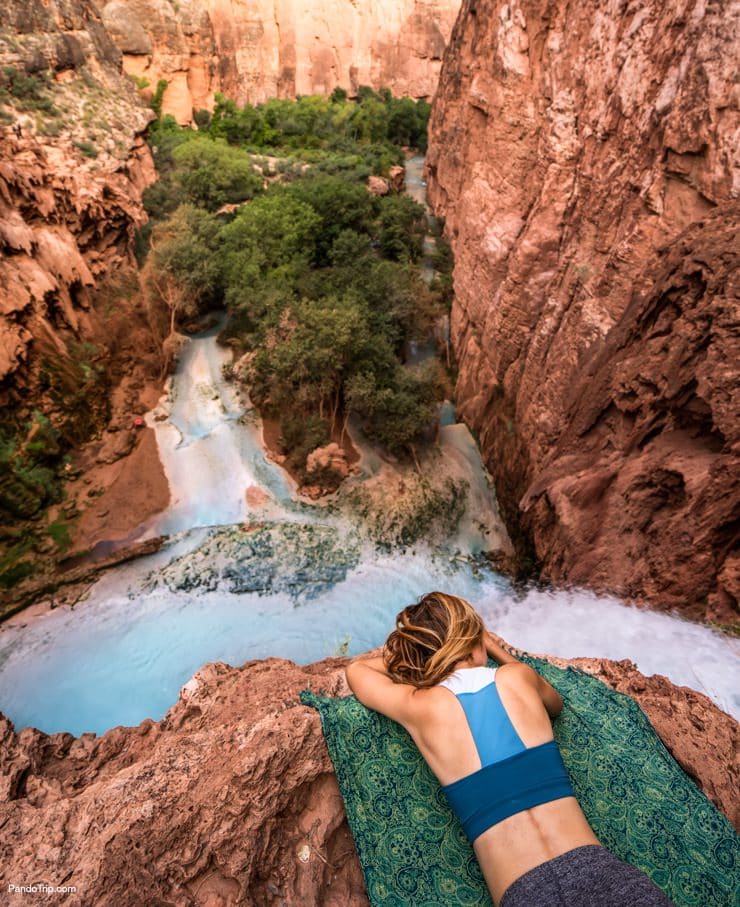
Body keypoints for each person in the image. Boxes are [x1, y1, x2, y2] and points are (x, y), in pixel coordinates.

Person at [345, 592, 674, 907]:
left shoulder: (421, 708)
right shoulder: (518, 677)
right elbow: (554, 703)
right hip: (602, 873)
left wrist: (419, 654)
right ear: (474, 639)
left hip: (526, 894)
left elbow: (357, 671)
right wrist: (493, 648)